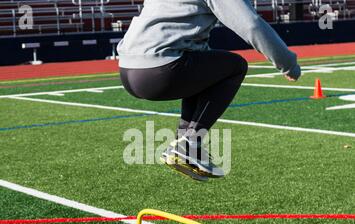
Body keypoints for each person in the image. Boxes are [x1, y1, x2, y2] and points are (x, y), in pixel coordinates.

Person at [117, 0, 301, 181]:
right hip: (158, 70)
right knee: (236, 66)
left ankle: (185, 144)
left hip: (127, 68)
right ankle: (189, 144)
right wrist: (288, 63)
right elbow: (251, 25)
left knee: (201, 63)